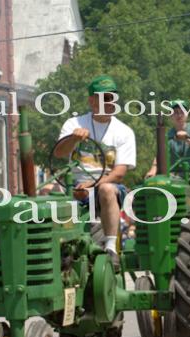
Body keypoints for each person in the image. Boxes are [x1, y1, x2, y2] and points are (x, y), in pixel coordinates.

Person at [53, 75, 136, 268]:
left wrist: (92, 185)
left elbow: (120, 172)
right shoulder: (73, 124)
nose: (109, 102)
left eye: (112, 97)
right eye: (104, 98)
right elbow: (59, 153)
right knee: (50, 201)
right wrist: (73, 139)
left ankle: (110, 247)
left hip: (108, 190)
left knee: (106, 189)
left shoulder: (124, 131)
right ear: (91, 100)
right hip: (74, 187)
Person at [145, 100, 190, 208]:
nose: (179, 115)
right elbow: (160, 154)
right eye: (175, 112)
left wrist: (186, 137)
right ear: (170, 116)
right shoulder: (168, 134)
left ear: (187, 114)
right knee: (160, 184)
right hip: (176, 173)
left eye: (182, 111)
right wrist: (153, 169)